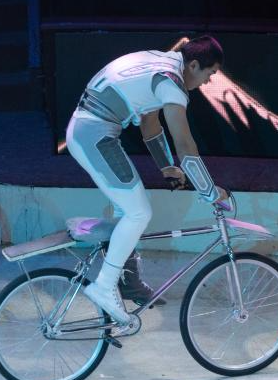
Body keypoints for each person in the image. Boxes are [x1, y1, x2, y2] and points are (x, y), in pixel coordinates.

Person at [66, 35, 228, 324]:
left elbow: (150, 123)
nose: (208, 82)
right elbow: (185, 145)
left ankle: (127, 283)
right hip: (93, 135)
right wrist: (210, 192)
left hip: (90, 130)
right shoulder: (172, 84)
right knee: (139, 212)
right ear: (193, 65)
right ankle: (104, 286)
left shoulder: (163, 63)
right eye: (210, 73)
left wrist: (167, 167)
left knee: (126, 210)